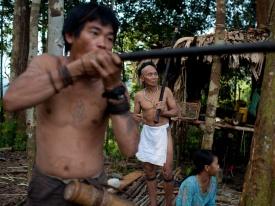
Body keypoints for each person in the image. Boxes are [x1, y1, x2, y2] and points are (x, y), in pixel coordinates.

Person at [3, 3, 139, 206]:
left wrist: (113, 87)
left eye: (109, 38)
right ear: (70, 36)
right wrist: (75, 70)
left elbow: (130, 148)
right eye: (94, 33)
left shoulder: (113, 86)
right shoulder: (47, 64)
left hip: (93, 188)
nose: (103, 44)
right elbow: (11, 100)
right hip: (48, 187)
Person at [133, 61, 178, 206]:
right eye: (150, 74)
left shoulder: (166, 91)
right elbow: (135, 115)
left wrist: (164, 111)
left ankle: (168, 204)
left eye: (155, 74)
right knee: (149, 171)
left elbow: (176, 111)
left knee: (167, 171)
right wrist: (135, 118)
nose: (154, 77)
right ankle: (153, 203)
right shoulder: (139, 96)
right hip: (147, 133)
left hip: (163, 132)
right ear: (142, 78)